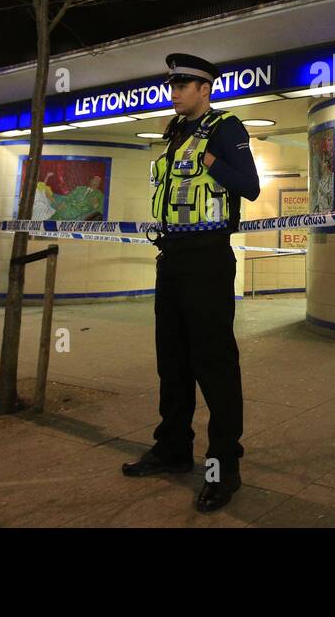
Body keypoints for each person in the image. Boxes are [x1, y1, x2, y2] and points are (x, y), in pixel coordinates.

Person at [122, 53, 261, 514]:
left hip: (208, 258)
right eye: (172, 84)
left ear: (205, 88)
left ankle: (224, 467)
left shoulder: (226, 128)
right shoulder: (174, 131)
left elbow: (250, 186)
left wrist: (212, 160)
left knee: (215, 364)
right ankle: (173, 449)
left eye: (183, 84)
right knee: (173, 360)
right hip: (173, 257)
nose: (174, 90)